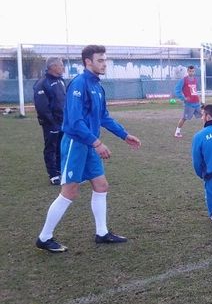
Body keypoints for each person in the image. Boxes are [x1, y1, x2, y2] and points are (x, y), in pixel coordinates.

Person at [35, 45, 141, 253]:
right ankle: (44, 237)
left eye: (105, 60)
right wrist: (97, 143)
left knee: (101, 185)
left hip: (90, 143)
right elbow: (74, 122)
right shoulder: (79, 84)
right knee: (70, 192)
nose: (104, 64)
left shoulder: (97, 86)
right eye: (100, 60)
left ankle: (101, 233)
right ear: (88, 62)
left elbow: (103, 117)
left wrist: (124, 135)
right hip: (77, 144)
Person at [33, 57, 66, 185]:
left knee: (61, 147)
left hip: (63, 122)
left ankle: (59, 170)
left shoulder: (61, 81)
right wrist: (52, 122)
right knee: (51, 147)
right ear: (53, 67)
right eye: (61, 65)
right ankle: (52, 174)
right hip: (51, 123)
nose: (63, 68)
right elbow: (42, 107)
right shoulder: (42, 83)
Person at [173, 65, 201, 138]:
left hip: (197, 103)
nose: (191, 72)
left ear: (194, 71)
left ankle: (207, 131)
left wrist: (198, 97)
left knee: (204, 115)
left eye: (193, 71)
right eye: (190, 71)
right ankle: (177, 132)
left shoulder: (195, 79)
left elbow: (195, 90)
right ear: (187, 71)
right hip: (189, 104)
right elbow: (177, 90)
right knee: (184, 118)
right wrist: (183, 98)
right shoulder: (183, 80)